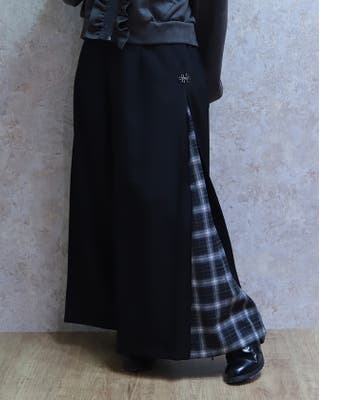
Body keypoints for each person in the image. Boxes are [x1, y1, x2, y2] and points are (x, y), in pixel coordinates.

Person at [62, 0, 267, 384]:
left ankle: (238, 334)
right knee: (116, 198)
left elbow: (212, 9)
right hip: (101, 56)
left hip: (168, 56)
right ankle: (143, 334)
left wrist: (205, 77)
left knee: (177, 198)